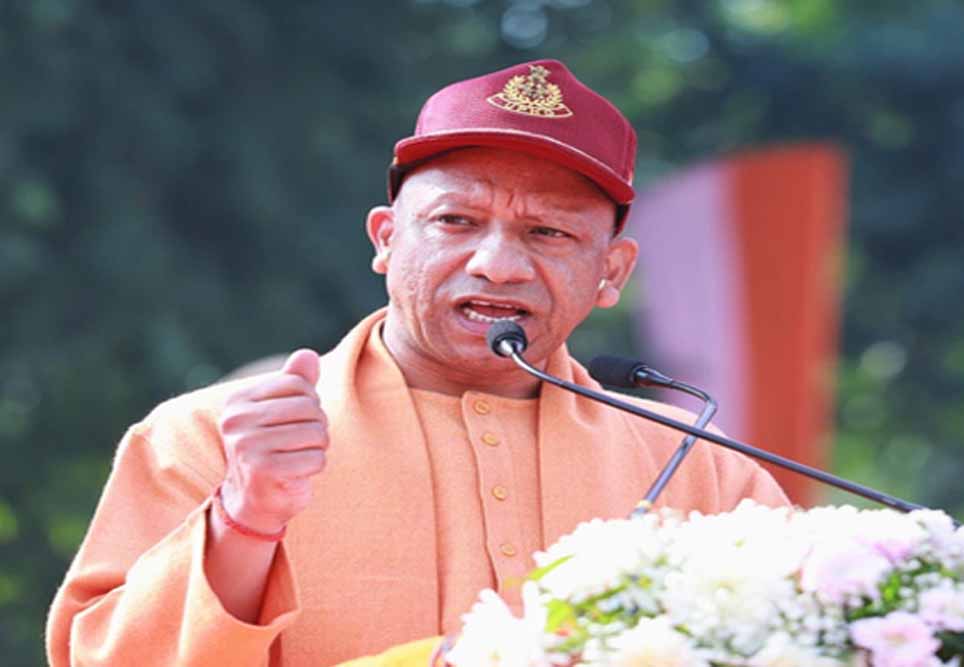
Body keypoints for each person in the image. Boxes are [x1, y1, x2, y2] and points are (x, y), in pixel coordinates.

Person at [46, 60, 788, 667]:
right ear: (386, 239)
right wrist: (243, 522)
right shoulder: (211, 439)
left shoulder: (698, 468)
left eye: (548, 233)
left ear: (611, 272)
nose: (497, 265)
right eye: (455, 221)